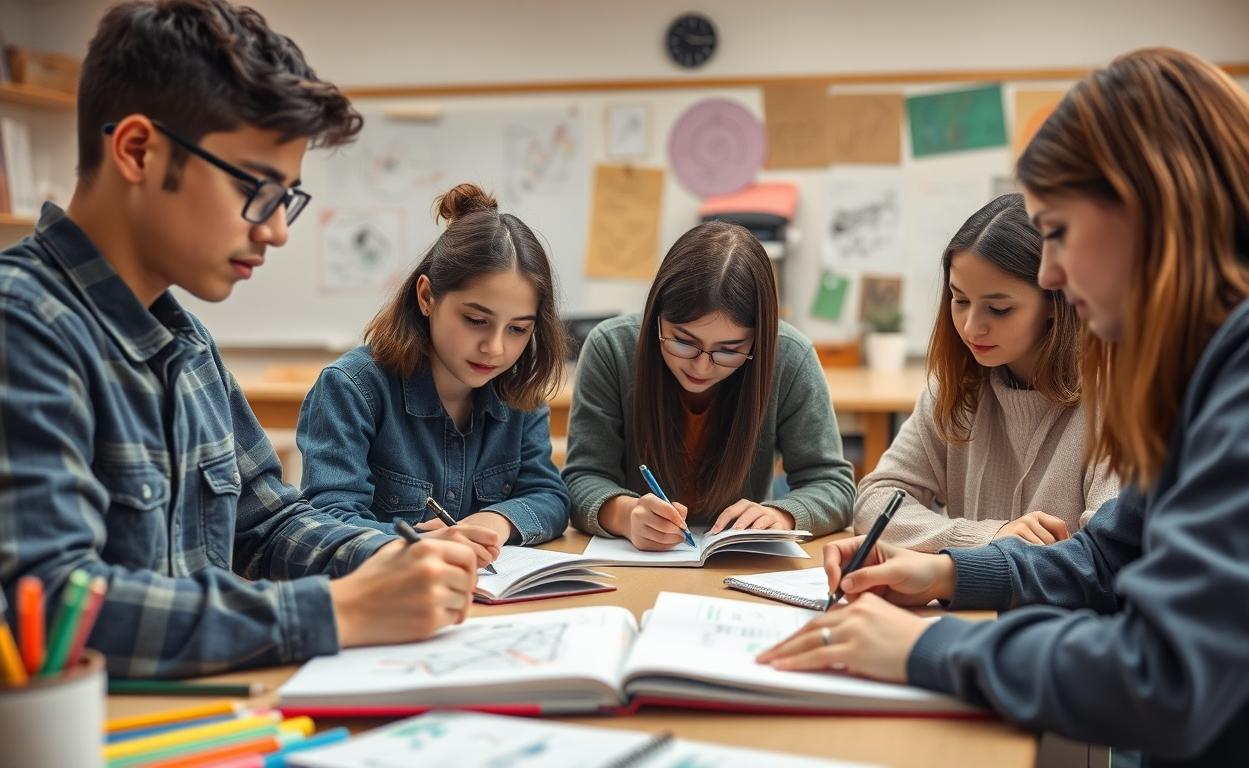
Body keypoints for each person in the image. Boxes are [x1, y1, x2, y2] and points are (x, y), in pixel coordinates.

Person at [759, 47, 1249, 765]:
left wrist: (928, 647)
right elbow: (1107, 557)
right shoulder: (1226, 352)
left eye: (1058, 231)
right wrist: (947, 573)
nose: (1052, 274)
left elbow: (1166, 675)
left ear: (1149, 208)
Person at [0, 0, 479, 678]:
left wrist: (384, 559)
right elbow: (52, 602)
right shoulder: (21, 325)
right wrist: (336, 610)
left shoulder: (186, 340)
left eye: (287, 200)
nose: (276, 230)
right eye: (256, 188)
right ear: (137, 151)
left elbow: (267, 524)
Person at [296, 183, 568, 547]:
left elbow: (549, 496)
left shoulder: (520, 394)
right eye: (476, 320)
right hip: (387, 580)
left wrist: (496, 521)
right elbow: (329, 518)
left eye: (518, 329)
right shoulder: (351, 389)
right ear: (426, 297)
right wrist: (424, 544)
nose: (495, 348)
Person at [564, 221, 854, 549]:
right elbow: (581, 478)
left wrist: (782, 515)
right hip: (635, 562)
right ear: (656, 315)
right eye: (683, 342)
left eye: (729, 350)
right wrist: (625, 515)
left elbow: (833, 485)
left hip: (740, 564)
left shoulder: (788, 356)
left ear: (758, 338)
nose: (701, 366)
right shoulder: (612, 347)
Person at [854, 193, 1116, 551]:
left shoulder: (1114, 400)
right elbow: (873, 502)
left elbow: (1105, 554)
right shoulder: (956, 388)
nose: (971, 327)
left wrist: (991, 557)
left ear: (1057, 301)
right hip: (966, 589)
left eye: (999, 309)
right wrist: (988, 537)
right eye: (960, 300)